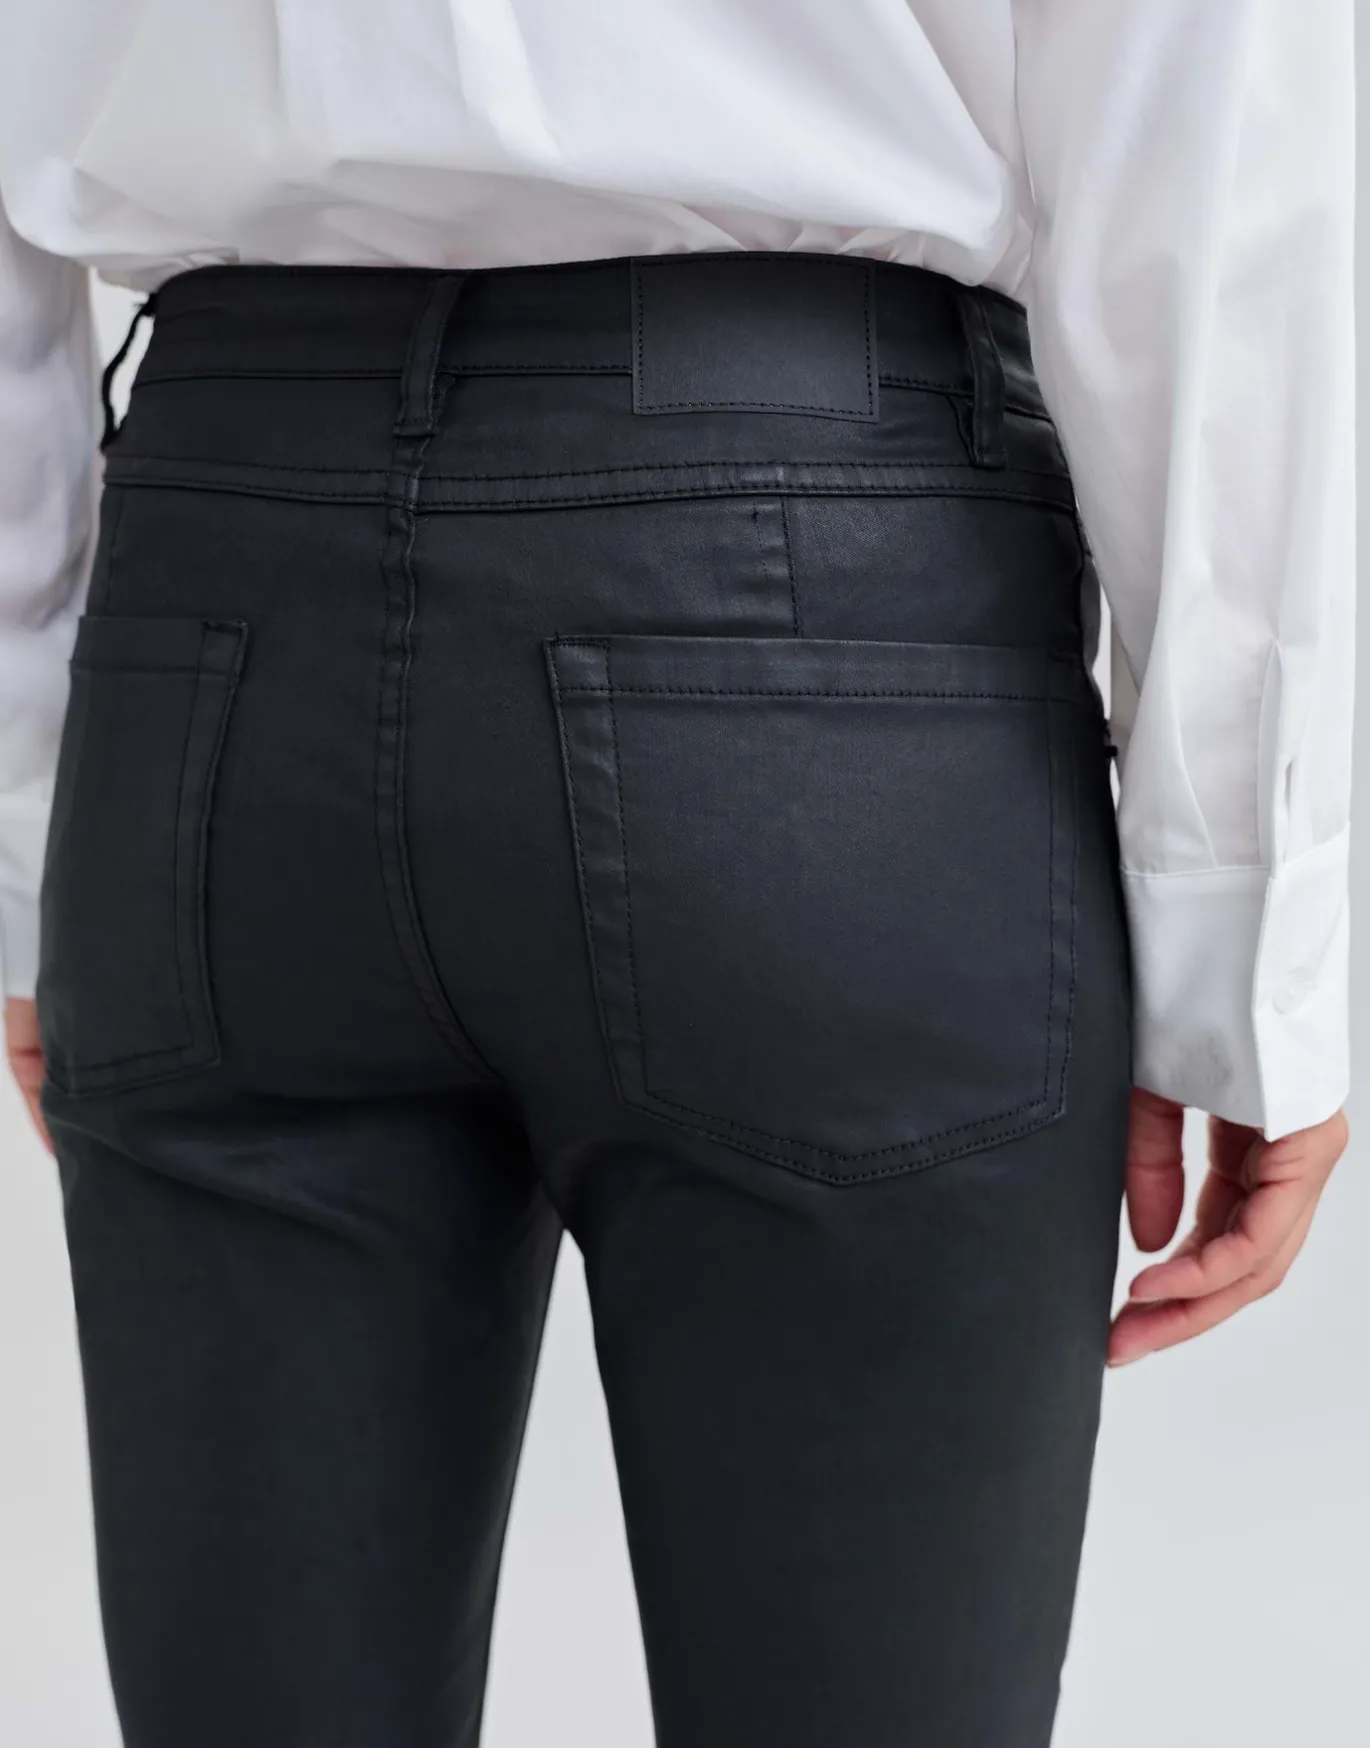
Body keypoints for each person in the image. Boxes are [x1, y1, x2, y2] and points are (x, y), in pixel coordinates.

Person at [0, 5, 1354, 1746]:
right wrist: (1245, 932)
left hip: (218, 638)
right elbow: (1195, 136)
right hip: (816, 628)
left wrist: (33, 839)